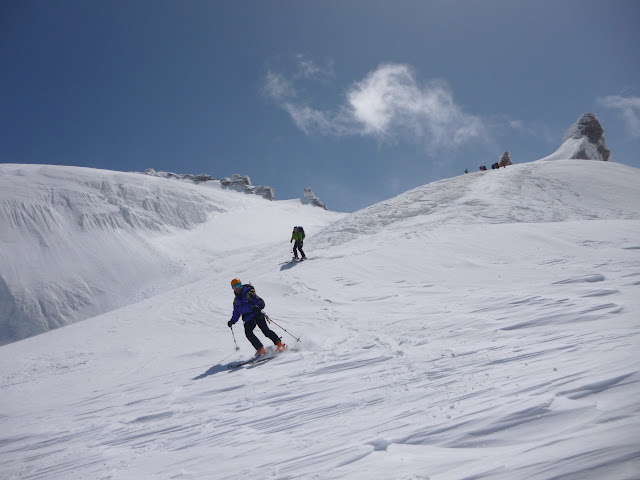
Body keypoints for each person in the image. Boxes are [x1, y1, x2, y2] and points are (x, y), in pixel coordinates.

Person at [227, 278, 286, 355]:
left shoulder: (249, 294)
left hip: (257, 314)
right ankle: (260, 349)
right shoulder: (236, 301)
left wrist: (258, 307)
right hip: (248, 318)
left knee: (265, 331)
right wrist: (232, 321)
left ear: (241, 285)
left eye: (238, 286)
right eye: (234, 287)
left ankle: (280, 344)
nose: (237, 288)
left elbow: (261, 302)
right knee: (248, 333)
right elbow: (236, 313)